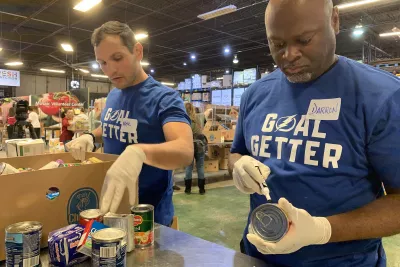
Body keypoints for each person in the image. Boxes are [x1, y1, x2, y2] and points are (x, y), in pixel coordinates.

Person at [229, 0, 400, 266]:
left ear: (334, 21)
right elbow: (237, 152)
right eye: (277, 44)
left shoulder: (381, 97)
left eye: (304, 40)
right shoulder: (255, 95)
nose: (289, 55)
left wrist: (323, 230)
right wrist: (238, 165)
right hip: (258, 255)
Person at [66, 21, 193, 226]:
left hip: (148, 218)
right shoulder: (115, 94)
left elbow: (185, 150)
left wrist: (139, 152)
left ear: (138, 51)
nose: (110, 70)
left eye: (117, 58)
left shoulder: (164, 98)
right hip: (111, 209)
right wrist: (91, 136)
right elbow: (112, 125)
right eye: (103, 63)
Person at [184, 102, 207, 195]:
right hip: (200, 144)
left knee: (189, 167)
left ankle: (188, 189)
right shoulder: (200, 116)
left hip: (189, 144)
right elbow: (208, 114)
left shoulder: (184, 119)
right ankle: (201, 189)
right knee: (200, 167)